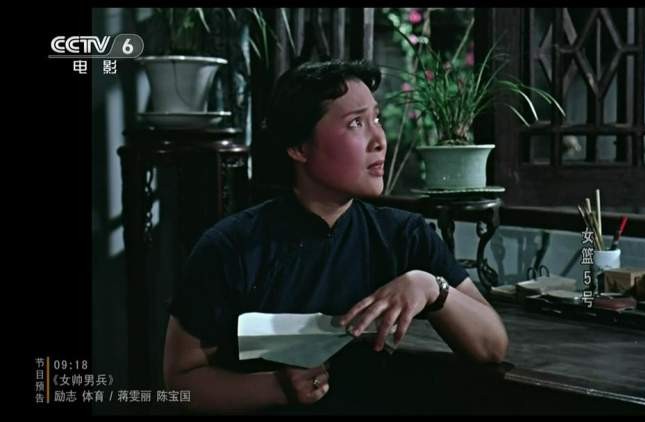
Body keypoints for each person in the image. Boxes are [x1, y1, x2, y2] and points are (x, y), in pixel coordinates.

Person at [163, 60, 508, 414]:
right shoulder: (232, 248)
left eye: (376, 119)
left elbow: (492, 345)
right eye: (356, 123)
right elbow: (179, 383)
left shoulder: (404, 236)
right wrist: (275, 387)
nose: (380, 140)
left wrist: (432, 288)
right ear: (299, 147)